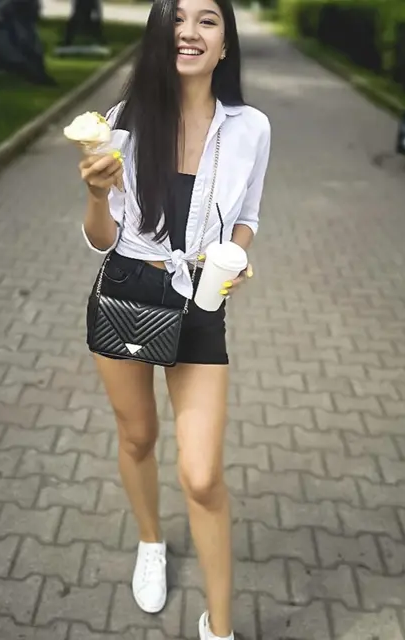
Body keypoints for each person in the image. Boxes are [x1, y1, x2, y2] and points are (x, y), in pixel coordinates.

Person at [78, 0, 270, 636]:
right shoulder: (121, 124)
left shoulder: (251, 128)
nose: (189, 31)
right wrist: (96, 195)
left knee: (202, 474)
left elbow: (248, 216)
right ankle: (151, 542)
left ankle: (221, 627)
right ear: (161, 35)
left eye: (207, 20)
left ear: (226, 44)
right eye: (177, 19)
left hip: (200, 299)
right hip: (128, 290)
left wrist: (235, 255)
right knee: (137, 436)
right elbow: (102, 240)